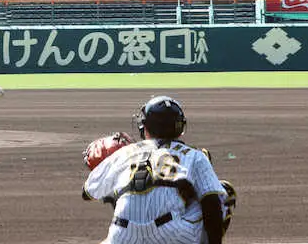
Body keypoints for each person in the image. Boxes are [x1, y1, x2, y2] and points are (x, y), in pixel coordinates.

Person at [82, 96, 227, 244]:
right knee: (220, 192)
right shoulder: (195, 156)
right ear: (180, 127)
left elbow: (87, 193)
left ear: (144, 127)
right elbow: (212, 204)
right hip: (172, 235)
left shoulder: (123, 153)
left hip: (121, 236)